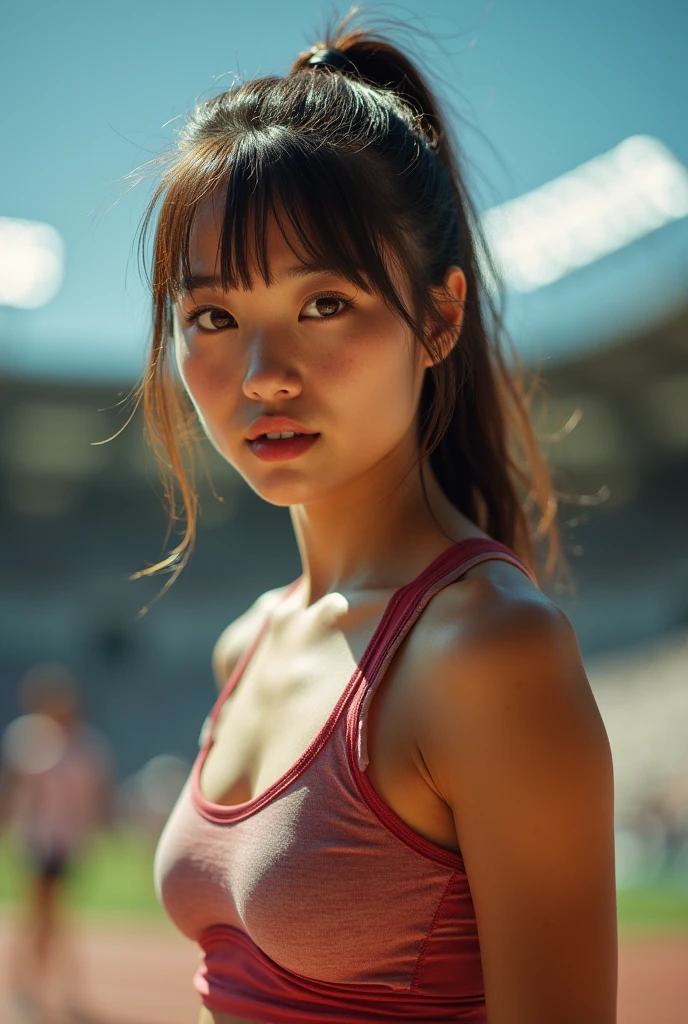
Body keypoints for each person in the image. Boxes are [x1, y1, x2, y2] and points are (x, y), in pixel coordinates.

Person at [129, 13, 617, 1023]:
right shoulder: (245, 646)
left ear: (438, 315)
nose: (263, 378)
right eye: (213, 318)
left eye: (324, 305)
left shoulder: (488, 653)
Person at [0, 663, 115, 1023]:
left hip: (69, 843)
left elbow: (97, 796)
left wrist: (95, 832)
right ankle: (31, 988)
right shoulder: (27, 738)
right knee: (41, 917)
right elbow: (14, 790)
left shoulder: (88, 746)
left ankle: (40, 988)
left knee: (51, 918)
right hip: (37, 841)